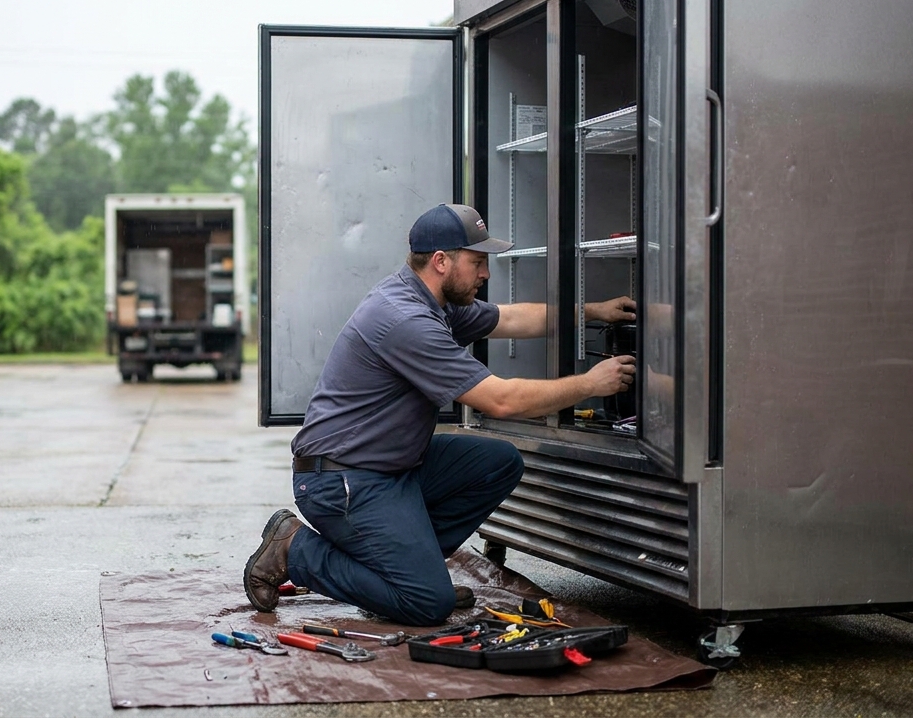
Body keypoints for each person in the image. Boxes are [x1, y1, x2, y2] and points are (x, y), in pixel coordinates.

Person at [244, 203, 636, 627]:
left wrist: (594, 310)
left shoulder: (435, 301)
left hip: (391, 467)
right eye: (478, 262)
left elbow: (511, 318)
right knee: (426, 604)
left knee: (497, 463)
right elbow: (501, 400)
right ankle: (294, 549)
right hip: (341, 479)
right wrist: (590, 384)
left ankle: (409, 569)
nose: (486, 274)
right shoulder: (405, 319)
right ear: (441, 261)